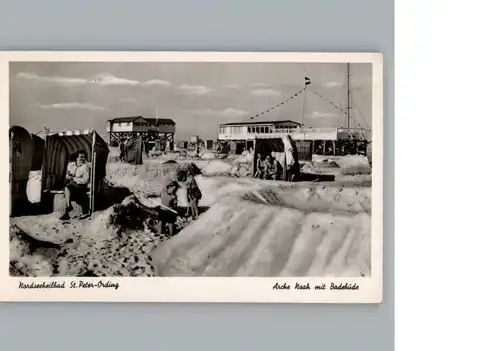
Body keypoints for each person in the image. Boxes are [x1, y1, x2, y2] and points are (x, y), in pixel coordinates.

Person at [60, 149, 91, 219]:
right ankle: (68, 207)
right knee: (67, 188)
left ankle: (68, 209)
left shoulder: (85, 167)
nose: (82, 159)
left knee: (67, 188)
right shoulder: (70, 165)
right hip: (71, 185)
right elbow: (67, 175)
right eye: (81, 157)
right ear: (76, 158)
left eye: (84, 157)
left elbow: (86, 180)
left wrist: (74, 178)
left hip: (81, 186)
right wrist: (69, 176)